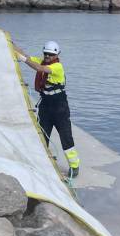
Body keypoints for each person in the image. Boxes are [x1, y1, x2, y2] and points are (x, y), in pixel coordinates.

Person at [13, 40, 80, 178]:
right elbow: (27, 56)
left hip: (59, 106)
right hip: (45, 106)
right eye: (46, 54)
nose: (47, 56)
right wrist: (10, 43)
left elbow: (40, 69)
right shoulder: (42, 61)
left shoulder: (57, 67)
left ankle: (74, 166)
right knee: (42, 136)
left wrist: (23, 60)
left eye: (50, 54)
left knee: (66, 136)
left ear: (56, 55)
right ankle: (42, 164)